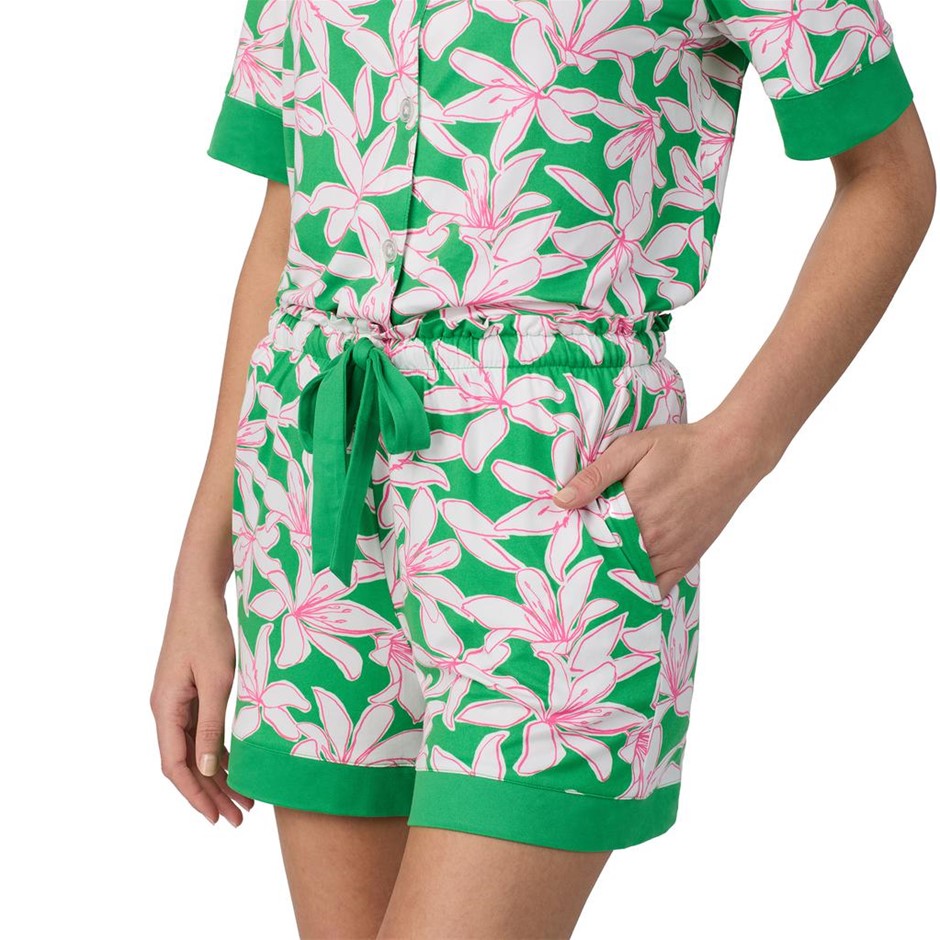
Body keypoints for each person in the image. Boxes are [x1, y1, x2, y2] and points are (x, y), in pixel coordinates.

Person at [151, 1, 934, 936]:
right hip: (312, 512)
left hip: (550, 513)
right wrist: (200, 574)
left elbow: (891, 175)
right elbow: (289, 219)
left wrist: (739, 447)